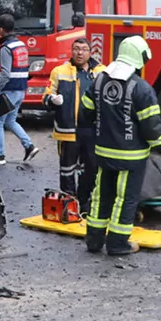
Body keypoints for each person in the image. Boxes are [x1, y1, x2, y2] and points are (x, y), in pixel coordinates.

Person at [79, 36, 161, 255]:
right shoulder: (141, 88)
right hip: (131, 157)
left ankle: (94, 241)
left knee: (101, 196)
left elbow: (85, 112)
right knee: (125, 199)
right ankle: (118, 244)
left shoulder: (100, 80)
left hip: (103, 152)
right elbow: (152, 128)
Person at [43, 38, 104, 207]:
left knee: (90, 168)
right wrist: (51, 100)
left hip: (92, 130)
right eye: (76, 49)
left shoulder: (101, 72)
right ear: (71, 51)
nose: (79, 53)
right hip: (68, 130)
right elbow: (46, 96)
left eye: (84, 49)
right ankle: (69, 204)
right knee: (67, 169)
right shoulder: (59, 71)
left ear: (90, 52)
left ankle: (85, 203)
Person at [0, 13, 39, 164]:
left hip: (8, 91)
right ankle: (29, 146)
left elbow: (5, 74)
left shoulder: (5, 48)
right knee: (10, 121)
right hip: (20, 90)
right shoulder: (20, 45)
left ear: (1, 29)